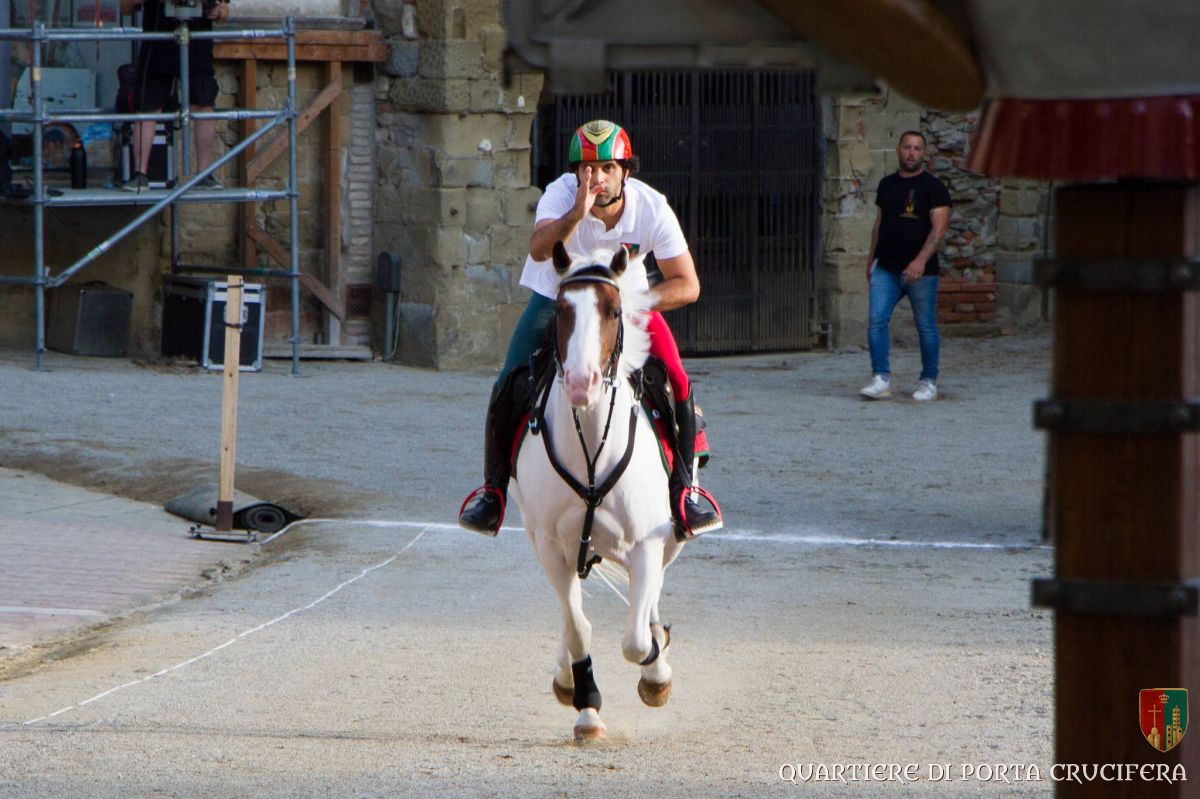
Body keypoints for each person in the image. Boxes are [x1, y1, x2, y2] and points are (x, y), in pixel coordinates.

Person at [458, 119, 723, 539]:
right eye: (587, 168)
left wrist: (634, 302)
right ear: (575, 172)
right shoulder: (560, 195)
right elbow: (539, 249)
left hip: (623, 300)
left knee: (676, 376)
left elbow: (688, 284)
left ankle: (685, 492)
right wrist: (577, 213)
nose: (596, 177)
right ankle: (493, 494)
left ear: (626, 171)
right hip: (557, 295)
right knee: (509, 377)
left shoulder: (651, 207)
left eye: (607, 168)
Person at [860, 130, 951, 401]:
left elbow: (939, 229)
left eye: (917, 148)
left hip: (921, 273)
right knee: (877, 321)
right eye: (907, 147)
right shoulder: (886, 184)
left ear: (924, 154)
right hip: (886, 268)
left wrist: (920, 261)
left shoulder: (934, 188)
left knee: (925, 325)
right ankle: (880, 378)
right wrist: (871, 260)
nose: (912, 153)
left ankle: (928, 381)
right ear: (898, 150)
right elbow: (879, 224)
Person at [120, 0, 229, 191]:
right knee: (148, 106)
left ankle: (204, 174)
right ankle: (140, 174)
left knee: (203, 103)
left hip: (197, 40)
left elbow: (224, 12)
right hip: (157, 41)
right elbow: (125, 8)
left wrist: (217, 9)